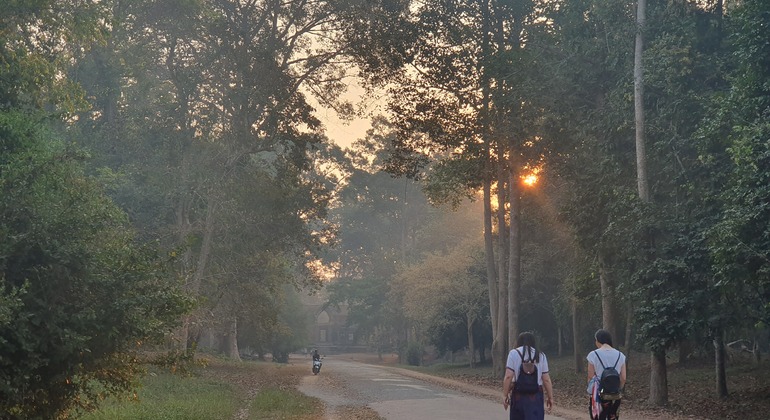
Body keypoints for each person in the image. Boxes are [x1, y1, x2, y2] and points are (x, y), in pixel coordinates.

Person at [502, 332, 555, 420]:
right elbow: (546, 379)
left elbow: (508, 376)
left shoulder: (513, 353)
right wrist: (550, 397)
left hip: (519, 394)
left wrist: (505, 394)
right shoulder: (541, 355)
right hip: (535, 395)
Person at [587, 329, 627, 420]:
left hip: (599, 394)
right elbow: (623, 378)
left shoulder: (593, 355)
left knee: (599, 417)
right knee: (612, 417)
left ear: (598, 340)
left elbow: (590, 377)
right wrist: (617, 389)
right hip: (615, 395)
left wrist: (590, 393)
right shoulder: (621, 355)